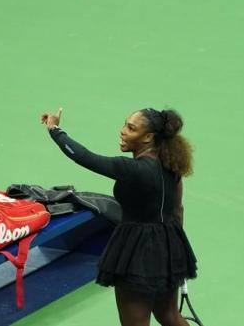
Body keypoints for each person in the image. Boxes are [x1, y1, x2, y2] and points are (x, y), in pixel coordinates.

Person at [41, 107, 197, 326]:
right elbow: (177, 209)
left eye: (131, 128)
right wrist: (176, 253)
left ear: (148, 137)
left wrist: (55, 130)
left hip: (137, 252)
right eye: (125, 124)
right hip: (169, 245)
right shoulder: (172, 166)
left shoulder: (131, 169)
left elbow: (84, 157)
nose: (122, 131)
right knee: (170, 316)